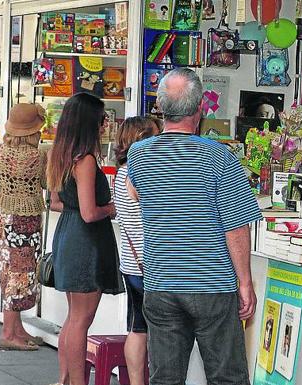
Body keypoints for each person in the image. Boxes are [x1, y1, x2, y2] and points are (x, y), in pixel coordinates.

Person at [126, 67, 262, 385]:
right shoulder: (219, 158)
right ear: (200, 108)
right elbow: (236, 227)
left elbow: (134, 193)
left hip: (161, 284)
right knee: (226, 376)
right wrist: (245, 283)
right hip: (212, 284)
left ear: (160, 108)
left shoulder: (139, 153)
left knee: (165, 377)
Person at [47, 93, 124, 385]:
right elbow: (91, 213)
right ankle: (78, 381)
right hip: (86, 241)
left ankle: (65, 378)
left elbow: (55, 202)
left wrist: (81, 206)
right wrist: (112, 207)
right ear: (91, 122)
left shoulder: (61, 154)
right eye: (103, 119)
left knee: (73, 317)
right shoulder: (87, 159)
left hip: (67, 234)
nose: (106, 124)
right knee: (82, 320)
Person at [0, 103, 47, 351]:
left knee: (8, 272)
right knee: (21, 275)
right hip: (27, 220)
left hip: (4, 219)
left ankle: (16, 328)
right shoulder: (39, 155)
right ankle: (8, 334)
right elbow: (48, 182)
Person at [113, 116, 160, 385]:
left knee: (137, 327)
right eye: (156, 134)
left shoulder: (121, 173)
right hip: (149, 264)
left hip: (131, 262)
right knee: (155, 330)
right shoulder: (140, 174)